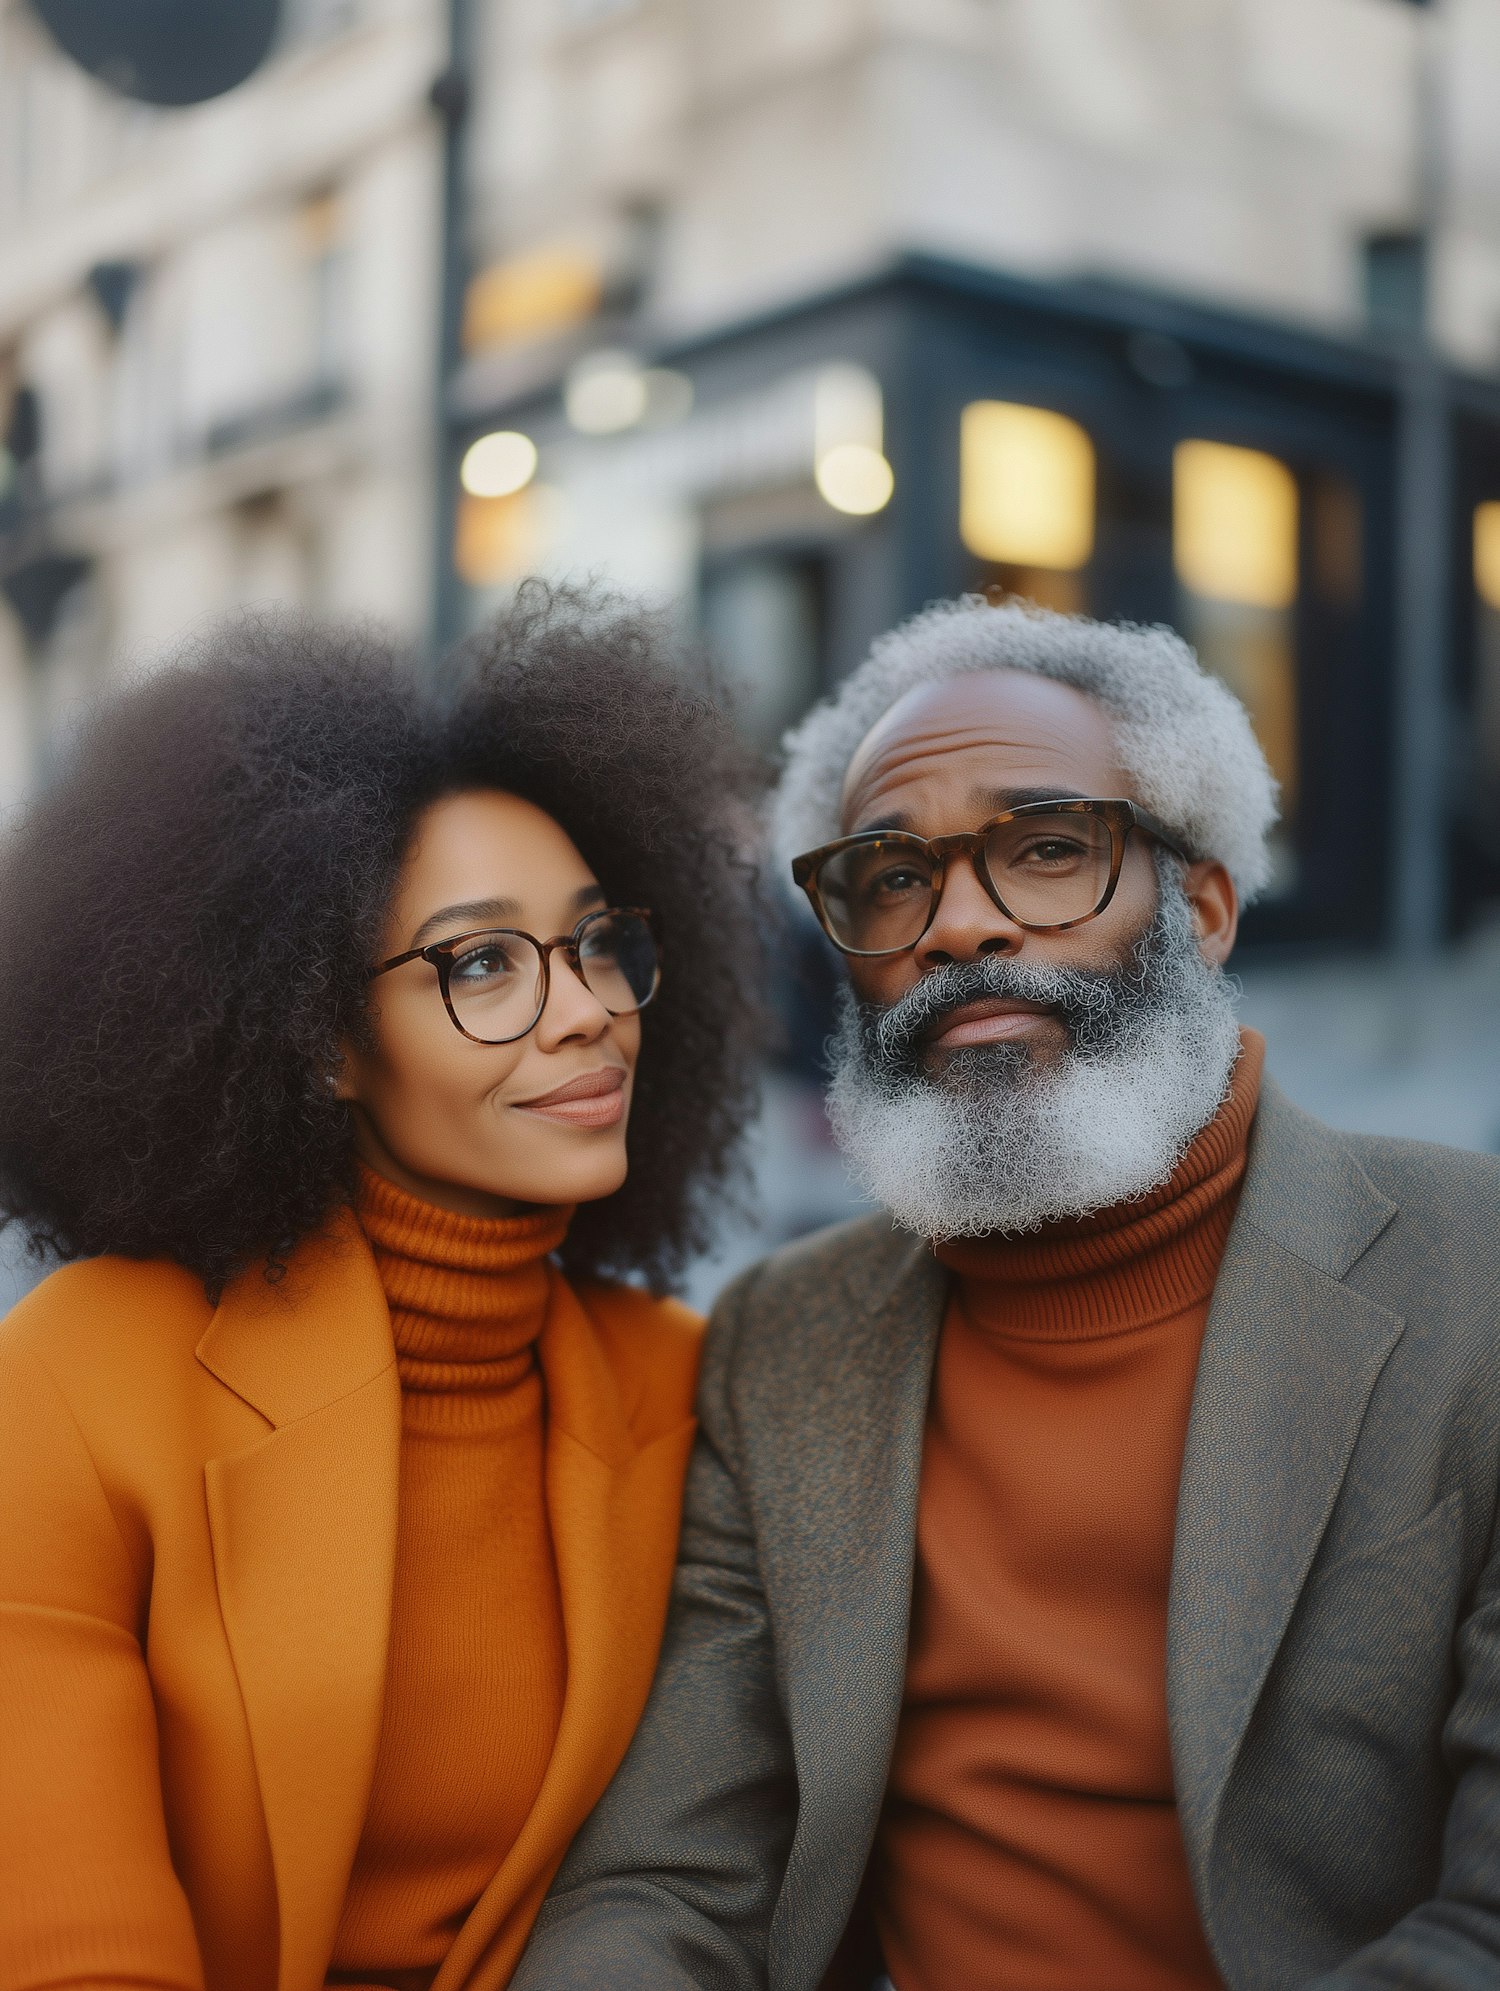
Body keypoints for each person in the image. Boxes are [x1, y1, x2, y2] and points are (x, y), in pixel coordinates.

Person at [510, 597, 1500, 1991]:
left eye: (1046, 851)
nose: (959, 923)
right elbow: (671, 1881)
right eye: (891, 878)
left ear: (1202, 906)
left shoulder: (1478, 1280)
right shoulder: (777, 1343)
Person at [0, 585, 764, 1991]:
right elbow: (72, 1950)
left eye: (599, 939)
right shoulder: (81, 1375)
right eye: (480, 962)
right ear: (324, 1042)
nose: (587, 1003)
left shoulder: (682, 1385)